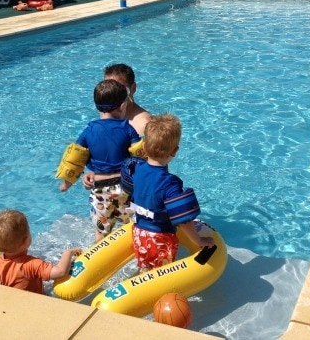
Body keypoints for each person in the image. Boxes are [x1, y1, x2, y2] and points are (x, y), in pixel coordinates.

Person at [124, 113, 214, 272]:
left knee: (145, 271)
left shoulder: (136, 169)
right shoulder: (170, 184)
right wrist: (198, 240)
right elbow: (184, 221)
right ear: (175, 151)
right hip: (160, 238)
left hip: (139, 233)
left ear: (143, 146)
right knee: (159, 276)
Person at [57, 79, 142, 241]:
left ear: (96, 106)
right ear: (122, 106)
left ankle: (97, 258)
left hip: (100, 191)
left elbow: (75, 157)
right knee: (133, 227)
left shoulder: (89, 131)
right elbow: (139, 154)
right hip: (125, 187)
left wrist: (66, 183)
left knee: (101, 232)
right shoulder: (127, 128)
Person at [0, 209, 82, 294]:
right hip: (33, 305)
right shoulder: (31, 264)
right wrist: (68, 253)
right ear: (26, 240)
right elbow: (60, 272)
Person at [83, 63, 152, 188]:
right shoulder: (106, 117)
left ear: (133, 88)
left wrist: (104, 178)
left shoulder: (143, 123)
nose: (113, 94)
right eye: (108, 88)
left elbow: (153, 166)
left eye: (120, 88)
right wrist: (94, 172)